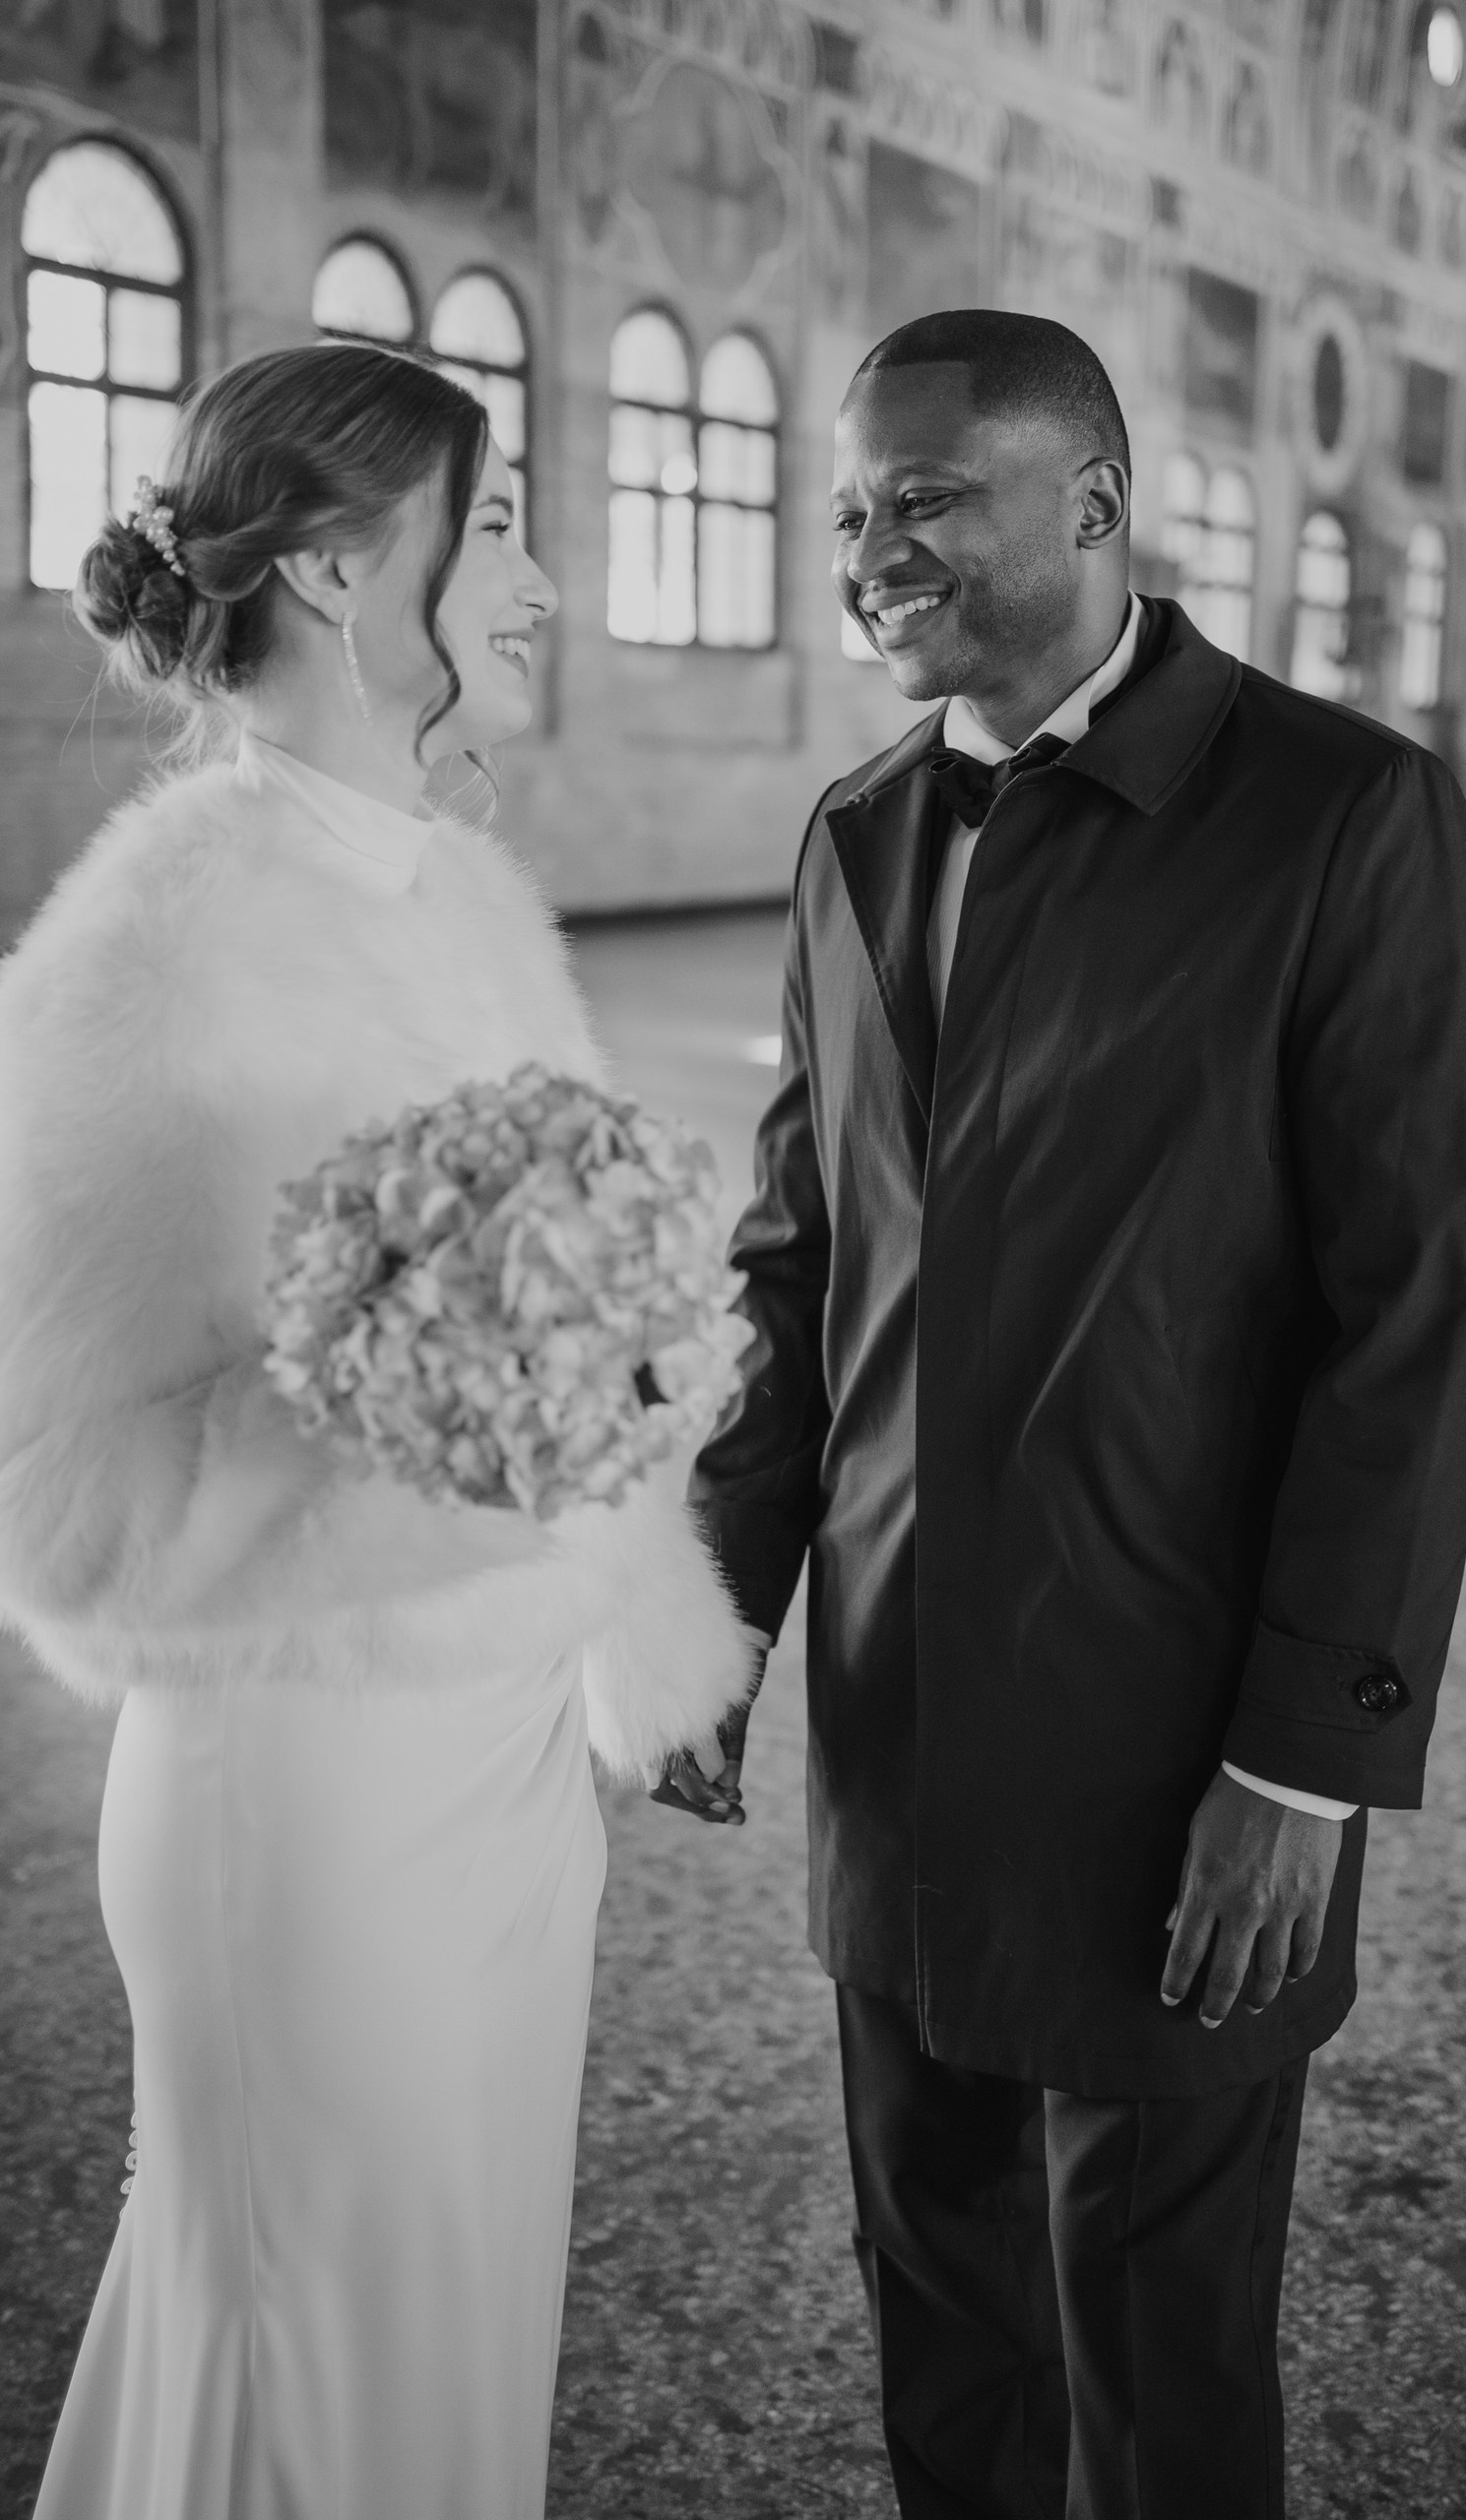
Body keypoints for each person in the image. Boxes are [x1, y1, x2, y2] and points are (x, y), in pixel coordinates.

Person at [673, 311, 1466, 2517]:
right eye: (849, 504)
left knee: (1157, 2366)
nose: (867, 545)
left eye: (924, 497)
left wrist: (1302, 1756)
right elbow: (797, 1267)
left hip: (1173, 1752)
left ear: (1093, 507)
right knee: (941, 2331)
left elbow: (1405, 1322)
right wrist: (705, 1614)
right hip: (896, 1722)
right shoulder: (855, 830)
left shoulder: (1341, 813)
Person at [0, 343, 752, 2520]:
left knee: (441, 2348)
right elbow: (60, 1483)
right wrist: (404, 1410)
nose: (533, 576)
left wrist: (613, 1377)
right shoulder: (164, 937)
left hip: (496, 1759)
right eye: (492, 523)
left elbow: (548, 1320)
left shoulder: (449, 887)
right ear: (340, 571)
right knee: (309, 2368)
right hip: (310, 1783)